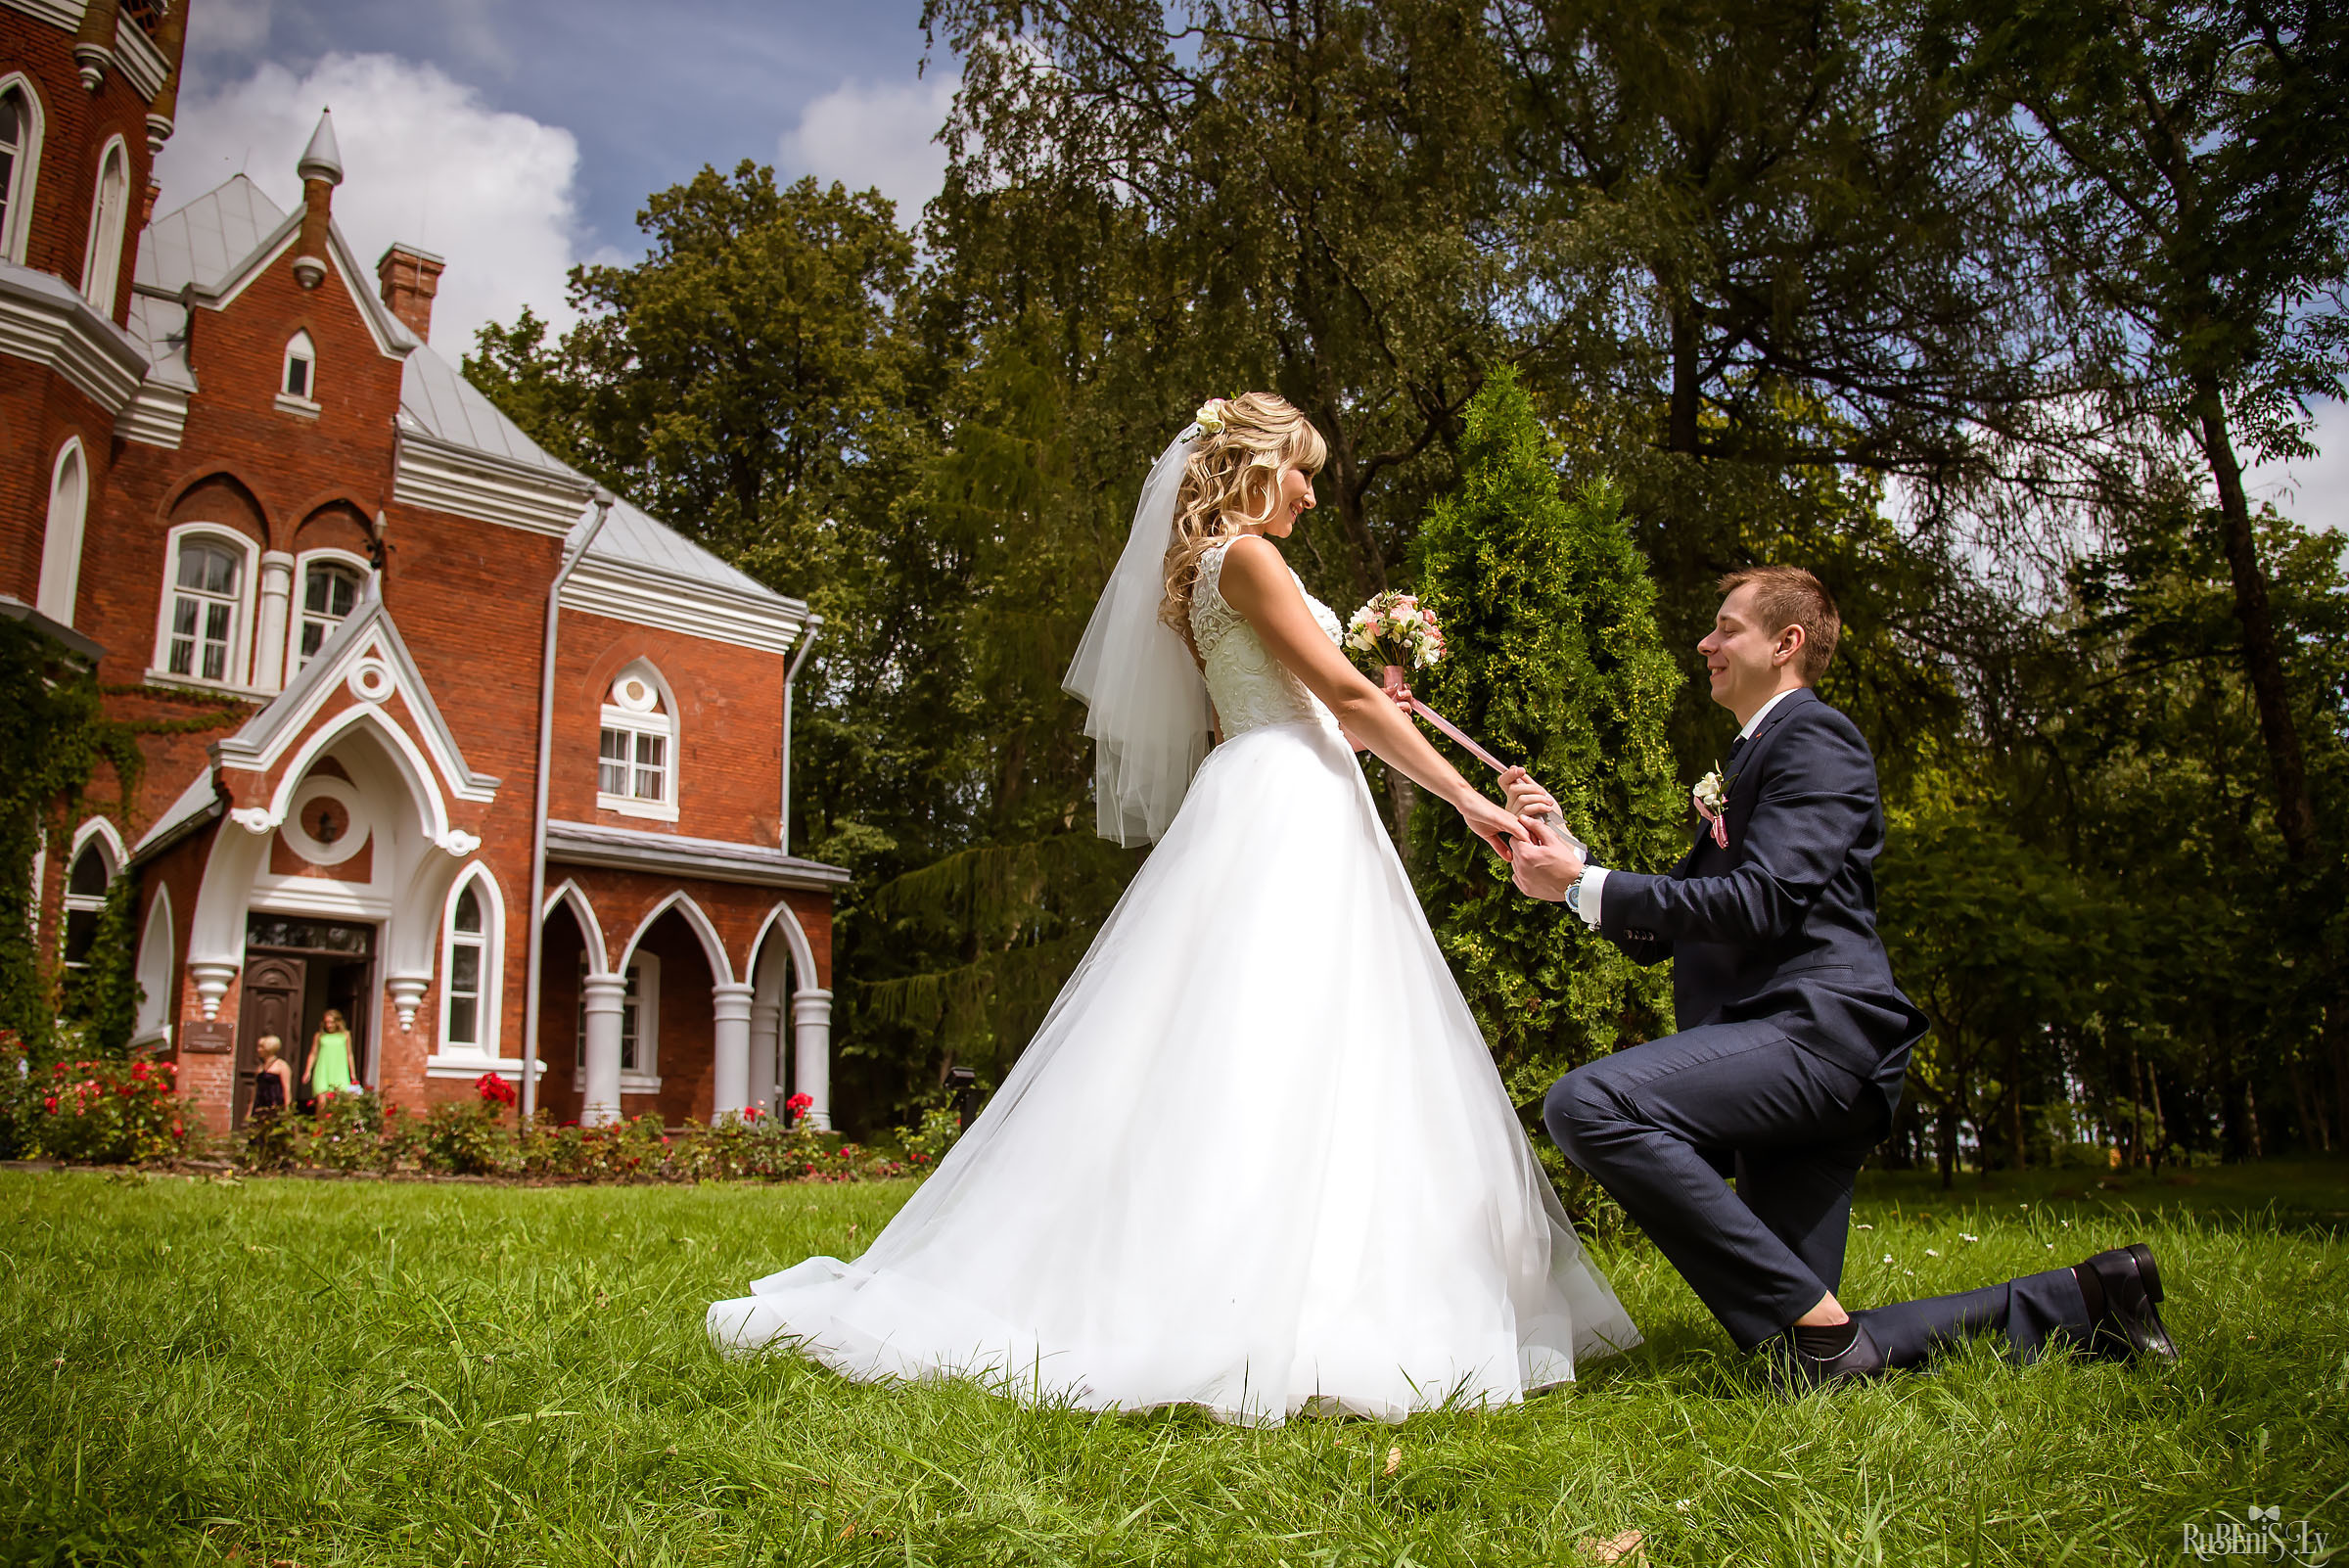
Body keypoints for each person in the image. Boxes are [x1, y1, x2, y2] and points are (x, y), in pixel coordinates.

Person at [709, 393, 1638, 1424]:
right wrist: (1470, 802)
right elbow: (1347, 702)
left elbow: (1314, 703)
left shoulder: (1207, 570)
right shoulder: (1246, 557)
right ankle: (1266, 1300)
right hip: (1290, 801)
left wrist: (1382, 714)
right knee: (1281, 1040)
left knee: (1313, 1037)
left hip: (1282, 787)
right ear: (1257, 465)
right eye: (1303, 470)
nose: (1312, 494)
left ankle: (1317, 1289)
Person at [1501, 566, 2175, 1388]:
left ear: (1786, 643)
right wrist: (1571, 858)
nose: (1706, 643)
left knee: (1588, 1104)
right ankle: (2092, 1296)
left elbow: (1764, 900)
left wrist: (1582, 881)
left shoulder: (1814, 738)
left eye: (1727, 628)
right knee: (1801, 1357)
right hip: (1782, 1048)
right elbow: (1672, 929)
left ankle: (1829, 1332)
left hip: (1816, 1037)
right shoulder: (1755, 756)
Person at [302, 1009, 356, 1099]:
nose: (328, 1025)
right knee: (322, 1100)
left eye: (331, 1022)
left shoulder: (345, 1035)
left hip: (339, 1071)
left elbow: (349, 1054)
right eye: (326, 1022)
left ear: (337, 1022)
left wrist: (352, 1073)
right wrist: (308, 1071)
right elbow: (313, 1054)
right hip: (322, 1071)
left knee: (337, 1101)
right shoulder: (319, 1036)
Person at [250, 1034, 293, 1120]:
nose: (258, 1050)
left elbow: (286, 1089)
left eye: (261, 1047)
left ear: (269, 1049)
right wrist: (250, 1111)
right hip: (260, 1105)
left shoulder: (281, 1066)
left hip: (275, 1105)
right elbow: (254, 1091)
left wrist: (287, 1110)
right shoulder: (260, 1067)